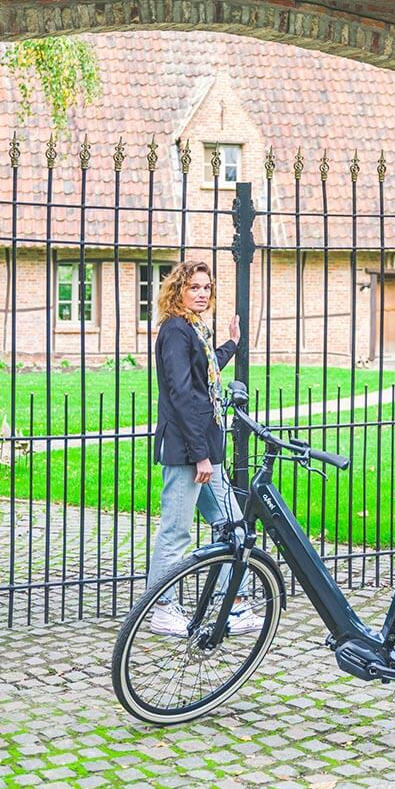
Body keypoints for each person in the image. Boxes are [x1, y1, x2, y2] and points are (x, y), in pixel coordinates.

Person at [146, 259, 261, 637]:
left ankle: (234, 605)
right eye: (194, 287)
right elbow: (181, 394)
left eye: (206, 288)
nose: (201, 293)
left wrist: (230, 343)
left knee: (233, 526)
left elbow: (205, 371)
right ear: (178, 290)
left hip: (203, 450)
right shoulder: (176, 331)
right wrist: (200, 455)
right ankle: (161, 608)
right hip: (187, 452)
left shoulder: (195, 328)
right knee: (177, 531)